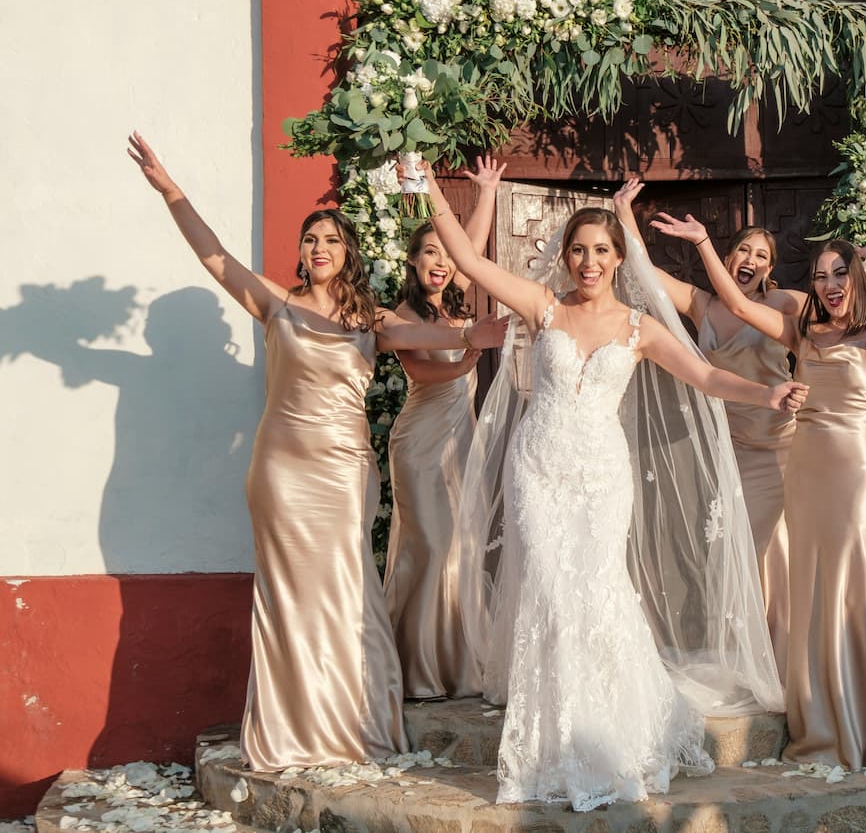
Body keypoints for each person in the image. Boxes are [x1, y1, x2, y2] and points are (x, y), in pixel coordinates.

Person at [421, 162, 806, 810]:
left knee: (596, 594)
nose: (589, 260)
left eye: (601, 249)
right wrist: (422, 176)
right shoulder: (543, 307)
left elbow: (707, 378)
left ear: (619, 257)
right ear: (566, 257)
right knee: (548, 590)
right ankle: (552, 745)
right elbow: (465, 254)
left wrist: (766, 391)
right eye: (579, 249)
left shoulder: (639, 327)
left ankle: (610, 739)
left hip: (601, 475)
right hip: (538, 467)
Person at [126, 133, 506, 771]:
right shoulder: (276, 306)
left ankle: (353, 722)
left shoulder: (372, 321)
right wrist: (171, 191)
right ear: (302, 254)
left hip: (346, 472)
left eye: (331, 239)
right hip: (281, 471)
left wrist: (475, 332)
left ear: (348, 252)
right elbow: (216, 258)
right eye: (311, 240)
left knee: (347, 590)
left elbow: (433, 330)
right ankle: (291, 730)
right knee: (289, 597)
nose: (319, 247)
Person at [615, 180, 866, 674]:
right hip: (731, 447)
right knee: (736, 550)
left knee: (776, 552)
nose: (752, 260)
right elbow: (645, 275)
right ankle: (751, 654)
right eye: (743, 250)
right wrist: (622, 216)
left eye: (763, 256)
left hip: (783, 444)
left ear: (771, 269)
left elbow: (856, 316)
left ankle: (787, 653)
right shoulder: (702, 305)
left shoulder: (788, 304)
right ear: (728, 258)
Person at [653, 210, 866, 770]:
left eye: (840, 275)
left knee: (856, 576)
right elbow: (735, 305)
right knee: (811, 585)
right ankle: (823, 714)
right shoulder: (802, 331)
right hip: (803, 469)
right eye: (821, 276)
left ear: (855, 281)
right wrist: (706, 242)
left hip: (855, 472)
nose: (829, 286)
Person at [383, 154, 505, 700]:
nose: (440, 261)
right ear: (412, 262)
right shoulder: (404, 318)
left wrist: (486, 193)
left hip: (460, 440)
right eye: (428, 252)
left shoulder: (455, 308)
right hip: (419, 443)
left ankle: (454, 665)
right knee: (429, 546)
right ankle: (414, 668)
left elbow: (468, 249)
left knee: (459, 548)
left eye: (443, 253)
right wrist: (468, 351)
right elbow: (425, 371)